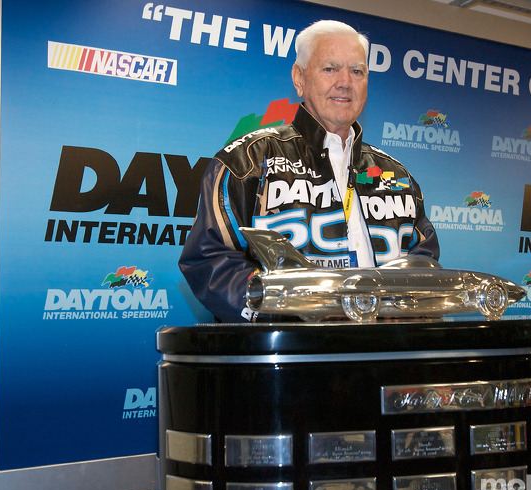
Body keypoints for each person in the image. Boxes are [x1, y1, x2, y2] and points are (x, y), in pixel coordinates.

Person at [179, 19, 440, 322]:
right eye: (329, 69)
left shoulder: (397, 175)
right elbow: (209, 260)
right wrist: (284, 312)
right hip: (289, 358)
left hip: (385, 358)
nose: (345, 82)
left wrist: (409, 308)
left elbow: (425, 262)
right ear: (299, 78)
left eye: (357, 71)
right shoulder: (247, 161)